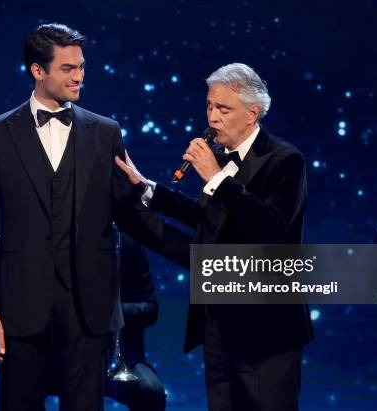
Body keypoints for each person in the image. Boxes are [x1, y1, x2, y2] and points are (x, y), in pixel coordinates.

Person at [0, 23, 186, 410]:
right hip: (21, 307)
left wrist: (199, 256)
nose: (79, 76)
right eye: (68, 68)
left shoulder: (105, 132)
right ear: (38, 71)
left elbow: (134, 218)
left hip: (89, 308)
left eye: (82, 67)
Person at [116, 63, 314, 411]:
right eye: (209, 106)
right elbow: (206, 220)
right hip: (219, 324)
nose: (213, 116)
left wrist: (217, 178)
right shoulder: (223, 161)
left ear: (252, 113)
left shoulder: (284, 159)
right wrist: (149, 190)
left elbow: (271, 228)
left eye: (223, 109)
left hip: (266, 330)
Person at [105, 229, 166, 411]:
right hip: (77, 353)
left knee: (152, 392)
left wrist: (115, 312)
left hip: (126, 355)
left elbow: (150, 309)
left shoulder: (129, 244)